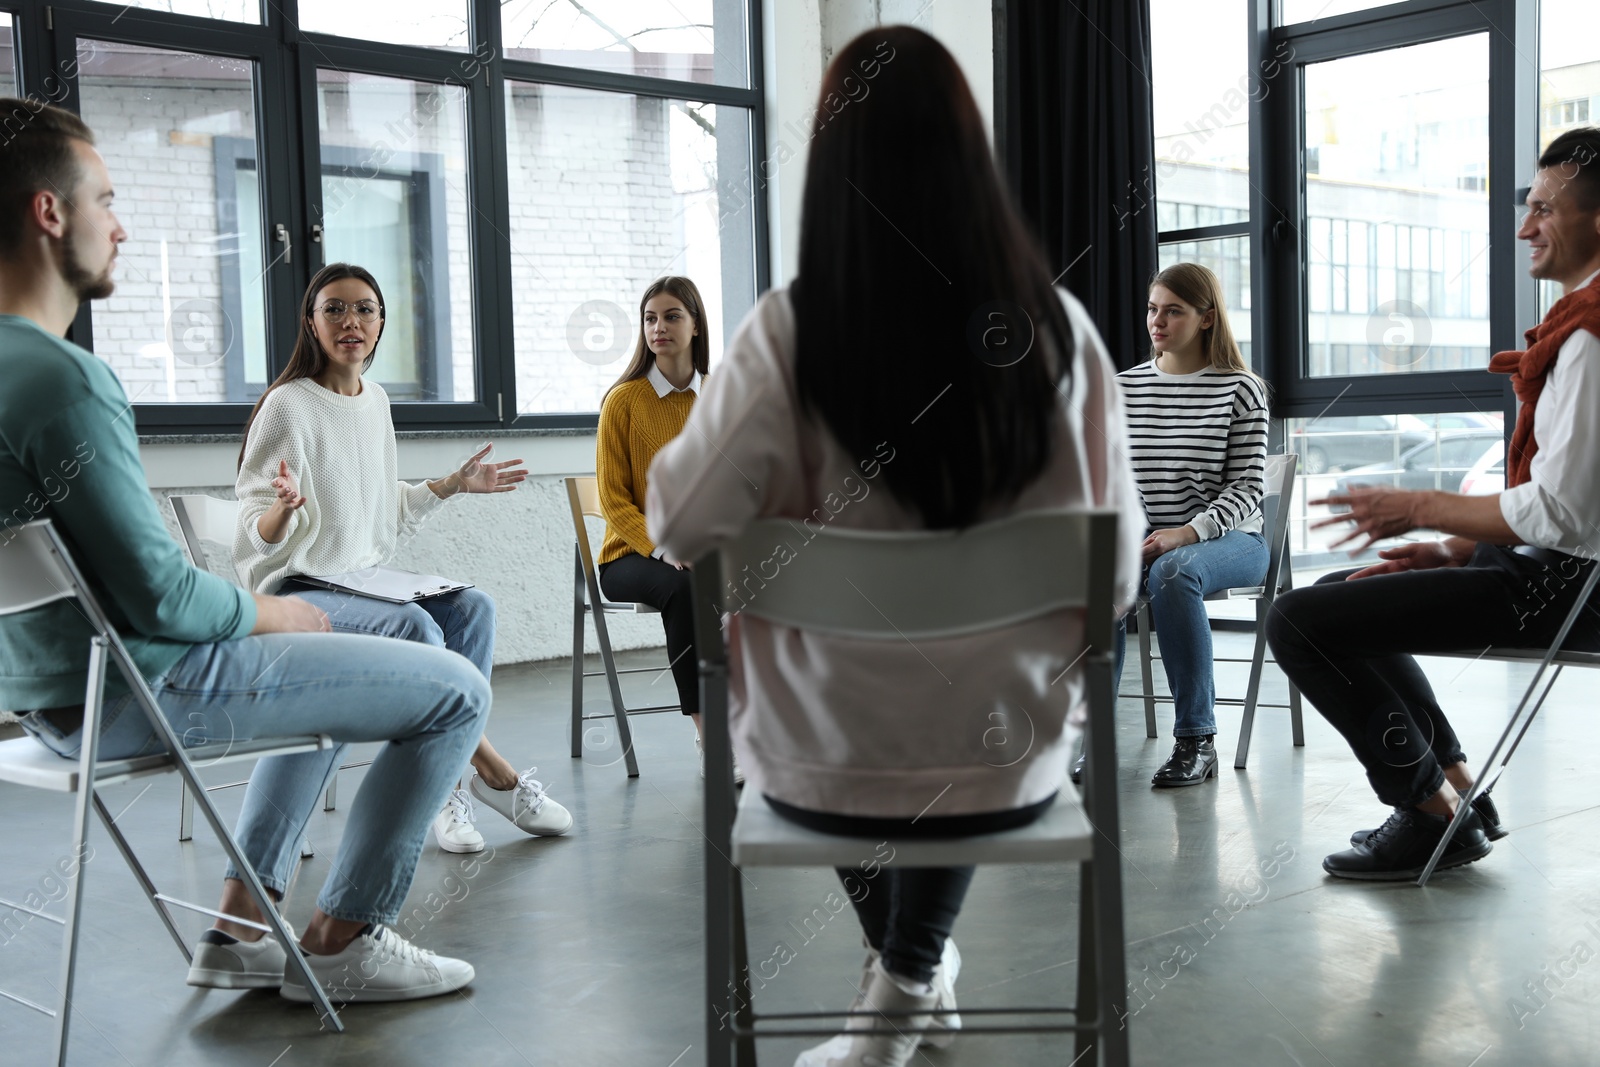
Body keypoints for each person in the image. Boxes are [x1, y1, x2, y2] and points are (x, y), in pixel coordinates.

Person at [644, 28, 1141, 1067]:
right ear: (976, 160)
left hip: (814, 765)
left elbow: (681, 525)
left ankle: (902, 980)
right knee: (957, 715)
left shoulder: (785, 332)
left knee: (876, 720)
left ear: (830, 169)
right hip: (1010, 760)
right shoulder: (1059, 334)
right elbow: (1122, 564)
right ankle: (911, 971)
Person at [0, 100, 485, 1001]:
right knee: (458, 687)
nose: (123, 224)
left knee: (363, 658)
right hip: (141, 689)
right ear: (48, 212)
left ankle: (242, 923)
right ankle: (345, 939)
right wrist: (275, 609)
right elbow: (163, 598)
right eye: (105, 198)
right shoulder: (60, 379)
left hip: (42, 702)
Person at [1267, 125, 1600, 881]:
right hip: (1554, 569)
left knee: (1296, 621)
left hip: (1568, 588)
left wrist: (1423, 506)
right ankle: (1457, 794)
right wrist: (1456, 548)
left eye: (1544, 210)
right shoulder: (1580, 325)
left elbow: (1565, 515)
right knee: (1343, 594)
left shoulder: (1590, 340)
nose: (1524, 228)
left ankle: (1424, 819)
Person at [234, 262, 572, 852]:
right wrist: (285, 508)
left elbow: (382, 507)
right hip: (298, 588)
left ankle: (447, 784)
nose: (351, 321)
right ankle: (489, 771)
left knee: (474, 609)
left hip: (360, 579)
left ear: (381, 322)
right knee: (415, 626)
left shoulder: (376, 403)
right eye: (333, 308)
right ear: (311, 323)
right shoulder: (287, 405)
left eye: (365, 308)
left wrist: (451, 485)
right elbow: (252, 537)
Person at [1103, 263, 1269, 787]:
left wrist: (1187, 532)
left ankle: (1196, 742)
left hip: (1232, 540)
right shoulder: (1122, 389)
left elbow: (1247, 488)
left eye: (1174, 310)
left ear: (1205, 318)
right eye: (1153, 309)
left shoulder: (1241, 389)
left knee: (1174, 573)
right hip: (1149, 540)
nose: (1158, 320)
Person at [594, 276, 729, 777]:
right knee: (686, 585)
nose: (659, 327)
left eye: (672, 316)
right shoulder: (623, 401)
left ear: (695, 326)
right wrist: (665, 546)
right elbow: (612, 499)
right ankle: (709, 732)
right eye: (651, 318)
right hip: (631, 555)